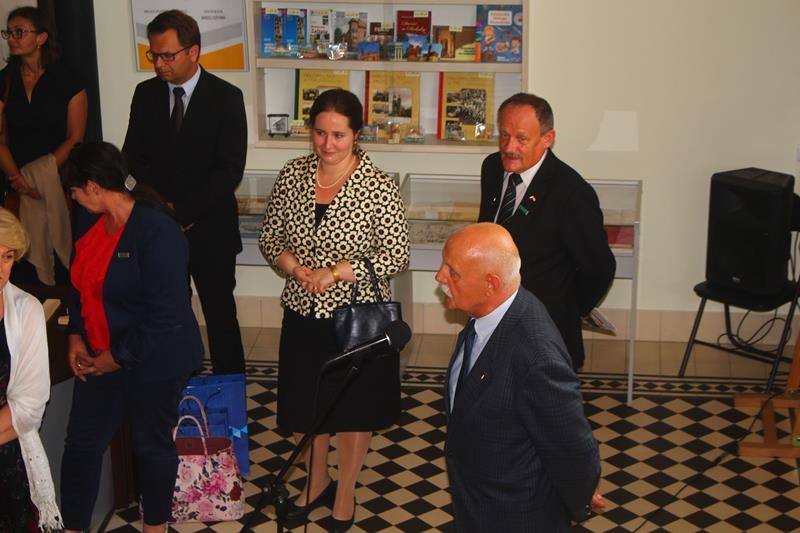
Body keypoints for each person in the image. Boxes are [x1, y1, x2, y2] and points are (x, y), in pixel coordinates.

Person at [259, 88, 409, 533]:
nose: (327, 144)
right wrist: (294, 268)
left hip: (356, 318)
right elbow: (270, 238)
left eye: (338, 135)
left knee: (352, 410)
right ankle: (316, 480)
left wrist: (339, 272)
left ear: (357, 134)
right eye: (320, 133)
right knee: (306, 405)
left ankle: (344, 492)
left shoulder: (377, 185)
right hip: (302, 311)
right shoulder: (293, 174)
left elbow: (397, 254)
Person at [59, 142, 203, 533]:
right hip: (100, 356)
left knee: (150, 445)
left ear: (93, 186)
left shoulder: (158, 231)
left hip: (154, 358)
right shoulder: (90, 220)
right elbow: (80, 285)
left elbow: (165, 316)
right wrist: (76, 334)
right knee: (82, 444)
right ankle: (74, 527)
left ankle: (155, 526)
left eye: (74, 190)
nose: (72, 198)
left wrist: (115, 357)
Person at [436, 222, 600, 532]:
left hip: (515, 516)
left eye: (452, 272)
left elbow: (571, 445)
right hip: (477, 502)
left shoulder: (537, 357)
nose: (440, 277)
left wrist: (578, 497)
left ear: (491, 283)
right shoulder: (487, 313)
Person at [122, 9, 246, 375]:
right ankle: (178, 384)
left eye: (167, 55)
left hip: (210, 229)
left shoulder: (226, 97)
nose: (159, 64)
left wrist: (184, 212)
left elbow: (229, 171)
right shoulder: (145, 94)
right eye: (154, 55)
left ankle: (229, 390)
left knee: (220, 314)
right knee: (169, 313)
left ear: (193, 51)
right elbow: (132, 160)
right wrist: (164, 212)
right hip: (160, 227)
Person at [478, 92, 615, 370]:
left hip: (545, 330)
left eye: (521, 139)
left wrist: (569, 307)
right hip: (493, 320)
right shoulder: (492, 167)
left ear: (547, 139)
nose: (509, 147)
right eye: (504, 135)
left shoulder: (571, 192)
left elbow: (599, 268)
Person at [0, 5, 87, 286]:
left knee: (64, 261)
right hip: (15, 184)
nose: (12, 39)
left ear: (41, 37)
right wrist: (18, 178)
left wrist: (41, 172)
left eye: (19, 32)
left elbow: (75, 136)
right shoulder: (4, 80)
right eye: (8, 33)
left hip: (59, 179)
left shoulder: (68, 78)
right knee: (20, 259)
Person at [0, 207, 62, 531]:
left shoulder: (27, 310)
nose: (0, 269)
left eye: (7, 257)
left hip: (7, 461)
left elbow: (30, 406)